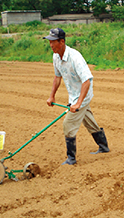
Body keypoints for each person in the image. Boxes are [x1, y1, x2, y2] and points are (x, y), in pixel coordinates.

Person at [43, 28, 109, 165]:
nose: (51, 45)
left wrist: (78, 103)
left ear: (62, 42)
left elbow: (87, 81)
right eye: (50, 42)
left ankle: (71, 158)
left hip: (82, 96)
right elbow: (57, 77)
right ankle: (103, 146)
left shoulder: (75, 57)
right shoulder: (56, 56)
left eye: (53, 42)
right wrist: (52, 96)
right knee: (88, 120)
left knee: (68, 124)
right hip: (73, 97)